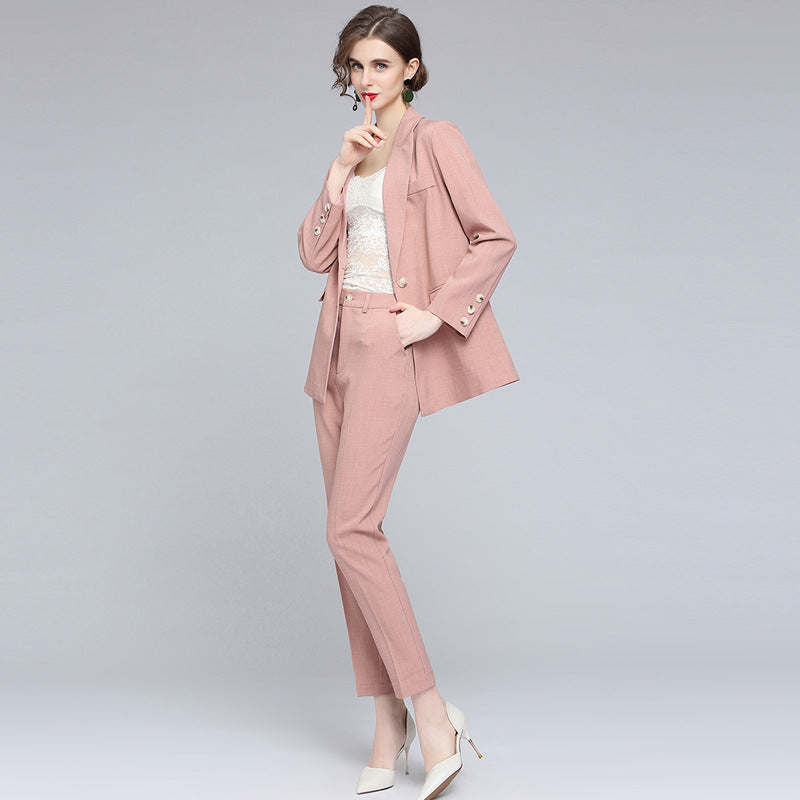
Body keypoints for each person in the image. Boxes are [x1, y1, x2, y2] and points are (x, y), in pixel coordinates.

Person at [296, 6, 518, 799]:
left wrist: (436, 314)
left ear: (411, 70)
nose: (366, 80)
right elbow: (312, 253)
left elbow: (495, 236)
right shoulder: (355, 148)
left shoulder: (435, 139)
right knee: (347, 542)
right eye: (356, 67)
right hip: (334, 353)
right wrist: (336, 172)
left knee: (350, 528)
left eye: (381, 66)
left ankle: (430, 712)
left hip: (390, 344)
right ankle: (386, 724)